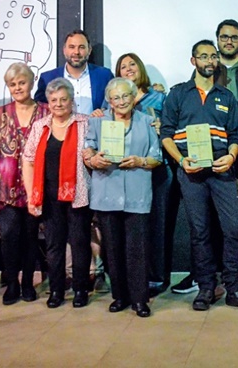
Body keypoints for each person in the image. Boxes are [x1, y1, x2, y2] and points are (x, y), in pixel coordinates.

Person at [160, 40, 238, 312]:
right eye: (203, 56)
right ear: (193, 61)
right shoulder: (178, 94)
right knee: (200, 231)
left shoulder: (226, 97)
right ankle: (205, 287)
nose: (209, 60)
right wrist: (181, 160)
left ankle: (235, 288)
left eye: (213, 56)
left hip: (222, 170)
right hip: (190, 172)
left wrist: (232, 156)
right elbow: (166, 134)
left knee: (234, 228)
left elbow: (234, 136)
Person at [84, 78, 162, 317]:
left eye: (126, 96)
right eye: (116, 97)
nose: (121, 101)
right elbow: (87, 149)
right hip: (107, 192)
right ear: (109, 101)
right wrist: (93, 159)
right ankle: (120, 296)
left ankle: (140, 299)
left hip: (137, 194)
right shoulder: (97, 121)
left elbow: (156, 157)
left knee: (137, 250)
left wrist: (141, 161)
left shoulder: (147, 122)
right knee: (113, 249)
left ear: (133, 97)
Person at [22, 77, 92, 309]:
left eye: (64, 99)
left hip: (78, 195)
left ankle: (81, 290)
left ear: (72, 101)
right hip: (49, 197)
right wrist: (32, 194)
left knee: (80, 244)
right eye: (54, 100)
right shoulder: (40, 126)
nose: (59, 104)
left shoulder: (86, 123)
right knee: (54, 245)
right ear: (48, 102)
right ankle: (56, 291)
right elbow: (29, 160)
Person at [0, 62, 49, 304]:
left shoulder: (46, 112)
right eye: (13, 84)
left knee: (31, 236)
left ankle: (27, 284)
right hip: (6, 186)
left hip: (35, 186)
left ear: (31, 83)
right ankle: (11, 283)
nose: (18, 87)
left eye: (22, 82)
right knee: (10, 236)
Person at [114, 52, 169, 297]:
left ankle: (156, 278)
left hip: (155, 170)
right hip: (124, 173)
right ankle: (133, 280)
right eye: (123, 66)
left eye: (132, 64)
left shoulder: (159, 97)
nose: (128, 69)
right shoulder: (113, 102)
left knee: (156, 225)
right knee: (131, 229)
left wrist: (162, 126)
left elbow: (171, 127)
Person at [35, 30, 113, 113]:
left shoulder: (105, 76)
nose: (76, 52)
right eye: (72, 47)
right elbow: (40, 111)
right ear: (64, 50)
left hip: (95, 125)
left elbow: (113, 106)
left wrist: (104, 112)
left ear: (89, 50)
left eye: (81, 47)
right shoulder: (47, 78)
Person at [214, 19, 238, 100]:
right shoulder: (206, 67)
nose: (229, 42)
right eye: (224, 37)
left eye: (234, 38)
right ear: (217, 39)